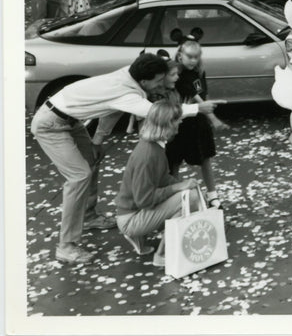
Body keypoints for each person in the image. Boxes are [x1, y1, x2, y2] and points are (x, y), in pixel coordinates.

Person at [30, 53, 217, 265]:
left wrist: (98, 141)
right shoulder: (126, 92)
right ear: (144, 80)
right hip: (50, 124)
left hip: (71, 120)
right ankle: (66, 246)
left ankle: (89, 216)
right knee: (79, 176)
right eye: (158, 81)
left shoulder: (130, 75)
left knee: (91, 161)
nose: (160, 85)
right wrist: (196, 108)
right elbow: (154, 113)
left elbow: (112, 110)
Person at [115, 101, 202, 267]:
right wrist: (178, 187)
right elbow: (144, 200)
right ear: (168, 124)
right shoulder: (148, 155)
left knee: (192, 195)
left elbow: (162, 179)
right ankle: (162, 255)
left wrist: (182, 184)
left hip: (133, 212)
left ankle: (145, 239)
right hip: (131, 218)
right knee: (190, 199)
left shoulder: (154, 146)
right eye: (178, 119)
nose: (181, 121)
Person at [165, 36, 226, 209]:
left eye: (196, 56)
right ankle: (176, 200)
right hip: (180, 124)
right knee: (174, 162)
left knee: (205, 158)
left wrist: (209, 117)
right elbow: (195, 96)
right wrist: (213, 118)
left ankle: (212, 195)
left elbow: (202, 95)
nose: (193, 60)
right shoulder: (178, 74)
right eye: (189, 56)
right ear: (180, 55)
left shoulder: (199, 72)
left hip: (198, 123)